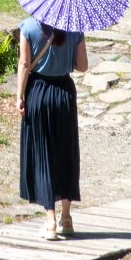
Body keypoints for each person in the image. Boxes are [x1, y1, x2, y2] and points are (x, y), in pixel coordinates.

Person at [16, 14, 88, 238]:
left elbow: (25, 64)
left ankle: (50, 223)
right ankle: (67, 219)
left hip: (38, 92)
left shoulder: (28, 26)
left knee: (43, 153)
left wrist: (19, 96)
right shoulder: (75, 28)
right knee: (65, 153)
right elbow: (83, 66)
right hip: (64, 93)